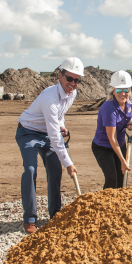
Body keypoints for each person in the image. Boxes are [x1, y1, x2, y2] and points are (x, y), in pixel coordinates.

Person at [16, 57, 83, 234]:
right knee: (30, 170)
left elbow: (60, 115)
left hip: (46, 133)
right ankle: (30, 219)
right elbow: (54, 136)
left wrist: (62, 125)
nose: (73, 83)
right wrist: (69, 163)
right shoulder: (49, 98)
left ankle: (55, 215)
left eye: (77, 80)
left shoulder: (72, 94)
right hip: (28, 132)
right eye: (70, 78)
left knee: (55, 169)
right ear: (60, 76)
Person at [92, 70, 132, 190]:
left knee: (122, 178)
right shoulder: (109, 108)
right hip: (103, 147)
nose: (123, 93)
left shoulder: (129, 101)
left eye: (126, 90)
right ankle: (106, 205)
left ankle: (119, 205)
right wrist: (122, 160)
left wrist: (129, 121)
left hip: (120, 143)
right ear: (113, 90)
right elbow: (112, 138)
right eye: (119, 90)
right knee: (112, 178)